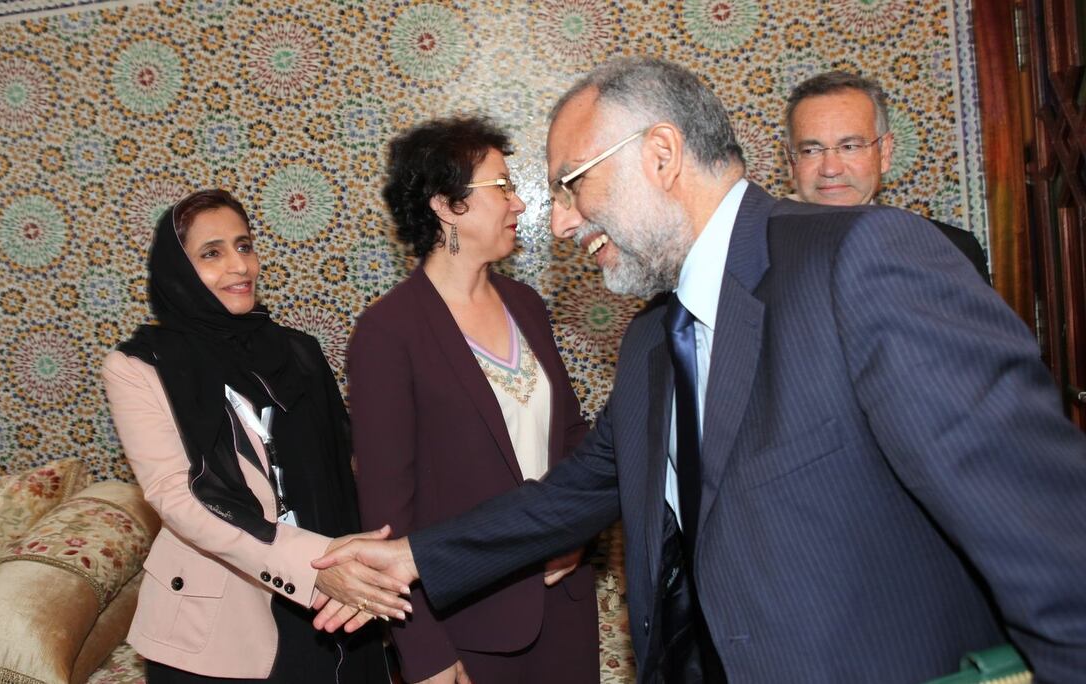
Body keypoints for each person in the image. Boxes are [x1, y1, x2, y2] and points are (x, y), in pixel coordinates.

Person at [313, 58, 1086, 683]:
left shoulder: (863, 262)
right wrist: (410, 557)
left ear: (659, 154)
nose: (565, 220)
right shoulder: (654, 342)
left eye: (572, 183)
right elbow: (574, 493)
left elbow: (1051, 546)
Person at [102, 189, 409, 683]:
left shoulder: (298, 353)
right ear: (176, 269)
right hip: (227, 612)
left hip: (333, 594)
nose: (239, 266)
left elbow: (345, 466)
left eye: (244, 246)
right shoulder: (140, 367)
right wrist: (309, 570)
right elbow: (178, 496)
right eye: (212, 253)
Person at [343, 117, 598, 683]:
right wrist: (424, 650)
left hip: (564, 603)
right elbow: (387, 517)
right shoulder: (389, 333)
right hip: (471, 625)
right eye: (502, 187)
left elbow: (574, 440)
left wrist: (575, 535)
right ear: (447, 204)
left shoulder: (526, 305)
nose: (519, 204)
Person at [784, 70, 992, 283]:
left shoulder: (951, 252)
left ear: (884, 153)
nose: (830, 169)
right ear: (791, 162)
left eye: (850, 147)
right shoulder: (754, 257)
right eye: (811, 150)